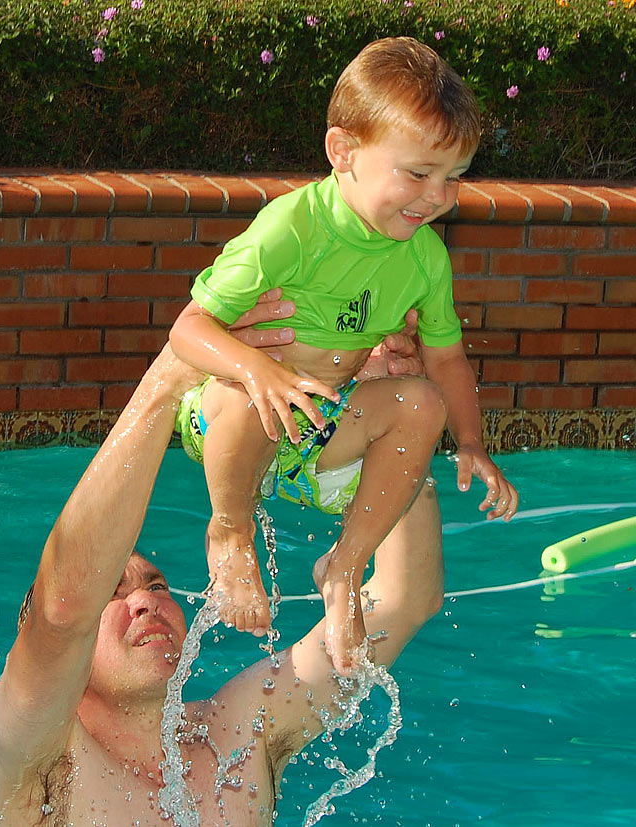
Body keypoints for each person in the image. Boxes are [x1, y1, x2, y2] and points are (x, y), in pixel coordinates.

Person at [0, 293, 445, 826]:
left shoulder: (238, 734)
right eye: (113, 592)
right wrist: (172, 375)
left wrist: (396, 445)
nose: (145, 602)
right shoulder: (34, 753)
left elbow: (406, 601)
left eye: (156, 586)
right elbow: (61, 612)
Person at [168, 37, 518, 675]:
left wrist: (471, 441)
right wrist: (256, 369)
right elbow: (189, 330)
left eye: (453, 178)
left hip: (322, 432)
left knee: (422, 403)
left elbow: (446, 361)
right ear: (343, 152)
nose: (437, 197)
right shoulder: (290, 229)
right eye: (419, 174)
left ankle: (345, 567)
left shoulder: (423, 257)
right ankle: (230, 529)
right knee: (249, 395)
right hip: (226, 421)